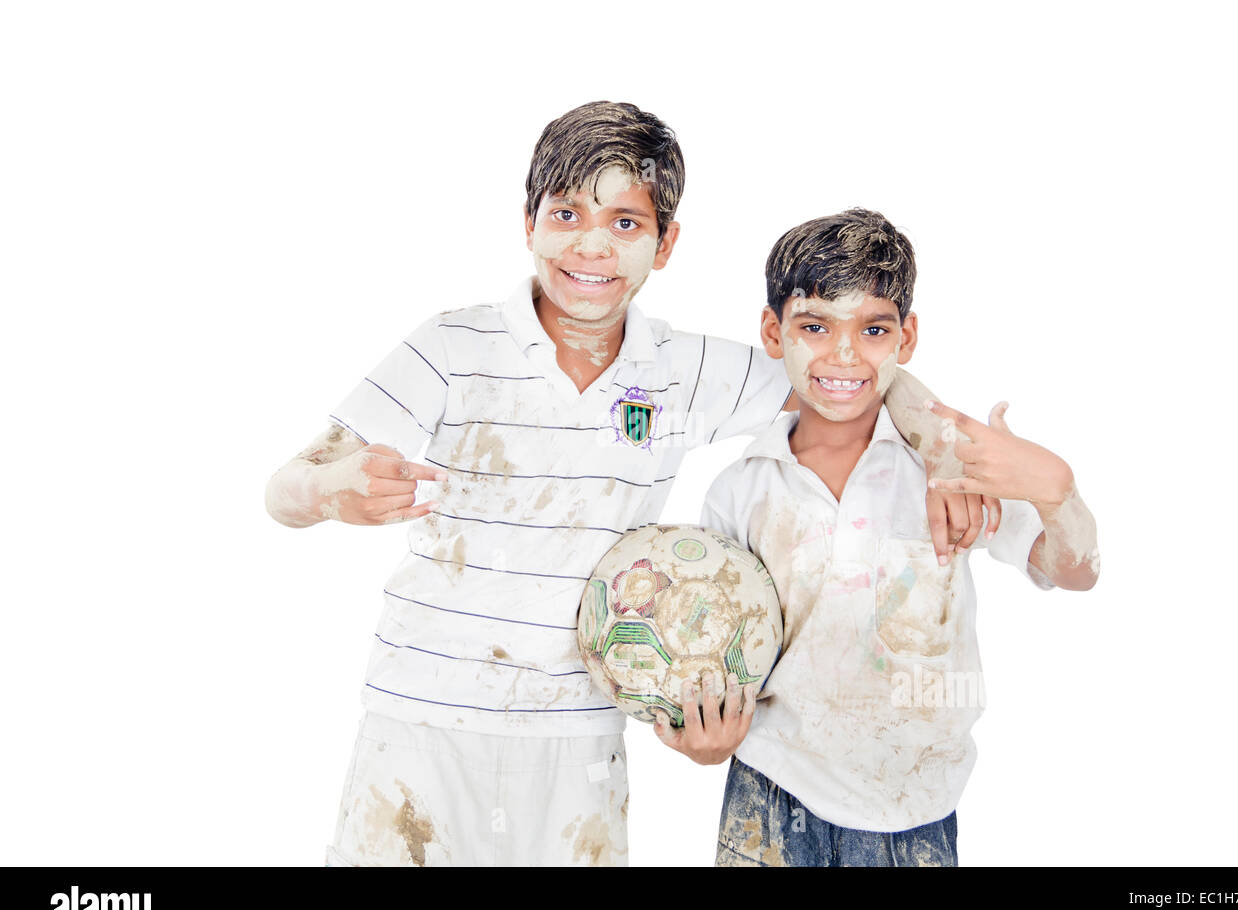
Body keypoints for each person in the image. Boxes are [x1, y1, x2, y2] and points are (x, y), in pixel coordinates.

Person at [264, 104, 982, 866]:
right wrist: (331, 489)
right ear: (529, 222)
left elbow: (844, 373)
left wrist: (943, 450)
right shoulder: (450, 345)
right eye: (567, 213)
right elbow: (286, 487)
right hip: (422, 719)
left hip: (580, 736)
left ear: (665, 244)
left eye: (626, 223)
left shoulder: (683, 370)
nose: (592, 245)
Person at [656, 208, 1099, 866]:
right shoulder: (740, 491)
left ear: (907, 337)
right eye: (815, 326)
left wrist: (1054, 487)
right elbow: (703, 654)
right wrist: (699, 737)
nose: (843, 354)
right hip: (771, 790)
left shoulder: (950, 472)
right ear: (774, 333)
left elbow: (1075, 570)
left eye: (872, 328)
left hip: (911, 806)